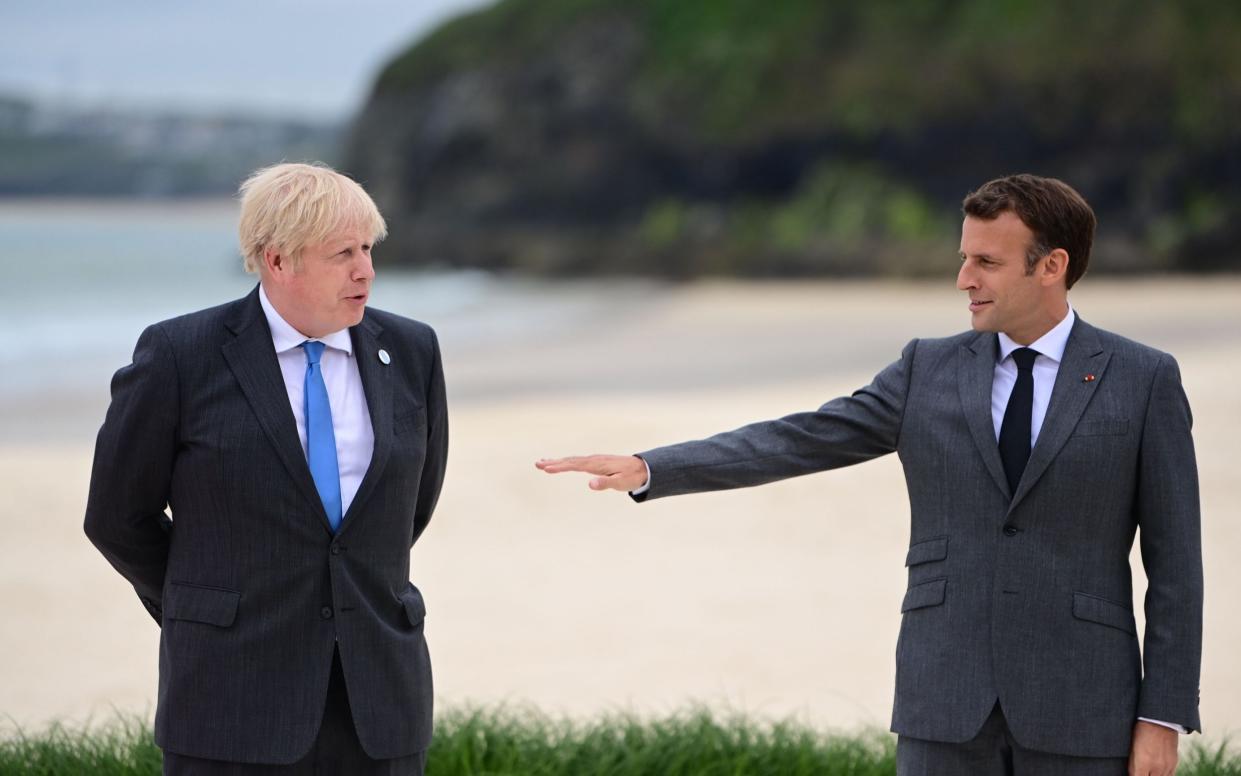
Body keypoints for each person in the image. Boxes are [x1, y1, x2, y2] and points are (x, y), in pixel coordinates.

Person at [538, 174, 1201, 776]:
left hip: (1084, 708)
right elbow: (801, 438)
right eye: (963, 257)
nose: (962, 278)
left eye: (985, 262)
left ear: (1051, 266)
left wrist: (1161, 716)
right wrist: (653, 466)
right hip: (942, 702)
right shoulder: (926, 368)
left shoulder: (1140, 379)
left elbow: (1175, 569)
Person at [84, 162, 448, 775]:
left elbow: (408, 507)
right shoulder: (180, 355)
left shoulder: (411, 350)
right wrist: (197, 603)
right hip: (230, 697)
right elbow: (117, 517)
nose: (366, 270)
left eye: (367, 248)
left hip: (379, 701)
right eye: (342, 254)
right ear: (277, 261)